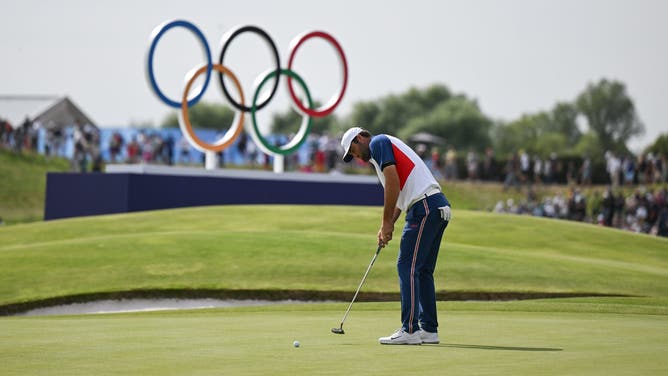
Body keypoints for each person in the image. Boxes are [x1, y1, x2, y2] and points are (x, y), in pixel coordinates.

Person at [340, 127, 451, 345]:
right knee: (422, 270)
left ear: (360, 137)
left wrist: (385, 222)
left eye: (353, 150)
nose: (355, 156)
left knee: (406, 266)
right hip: (437, 206)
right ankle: (428, 330)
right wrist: (389, 224)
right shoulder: (381, 153)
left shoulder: (378, 143)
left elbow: (393, 183)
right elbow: (399, 194)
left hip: (424, 207)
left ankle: (409, 330)